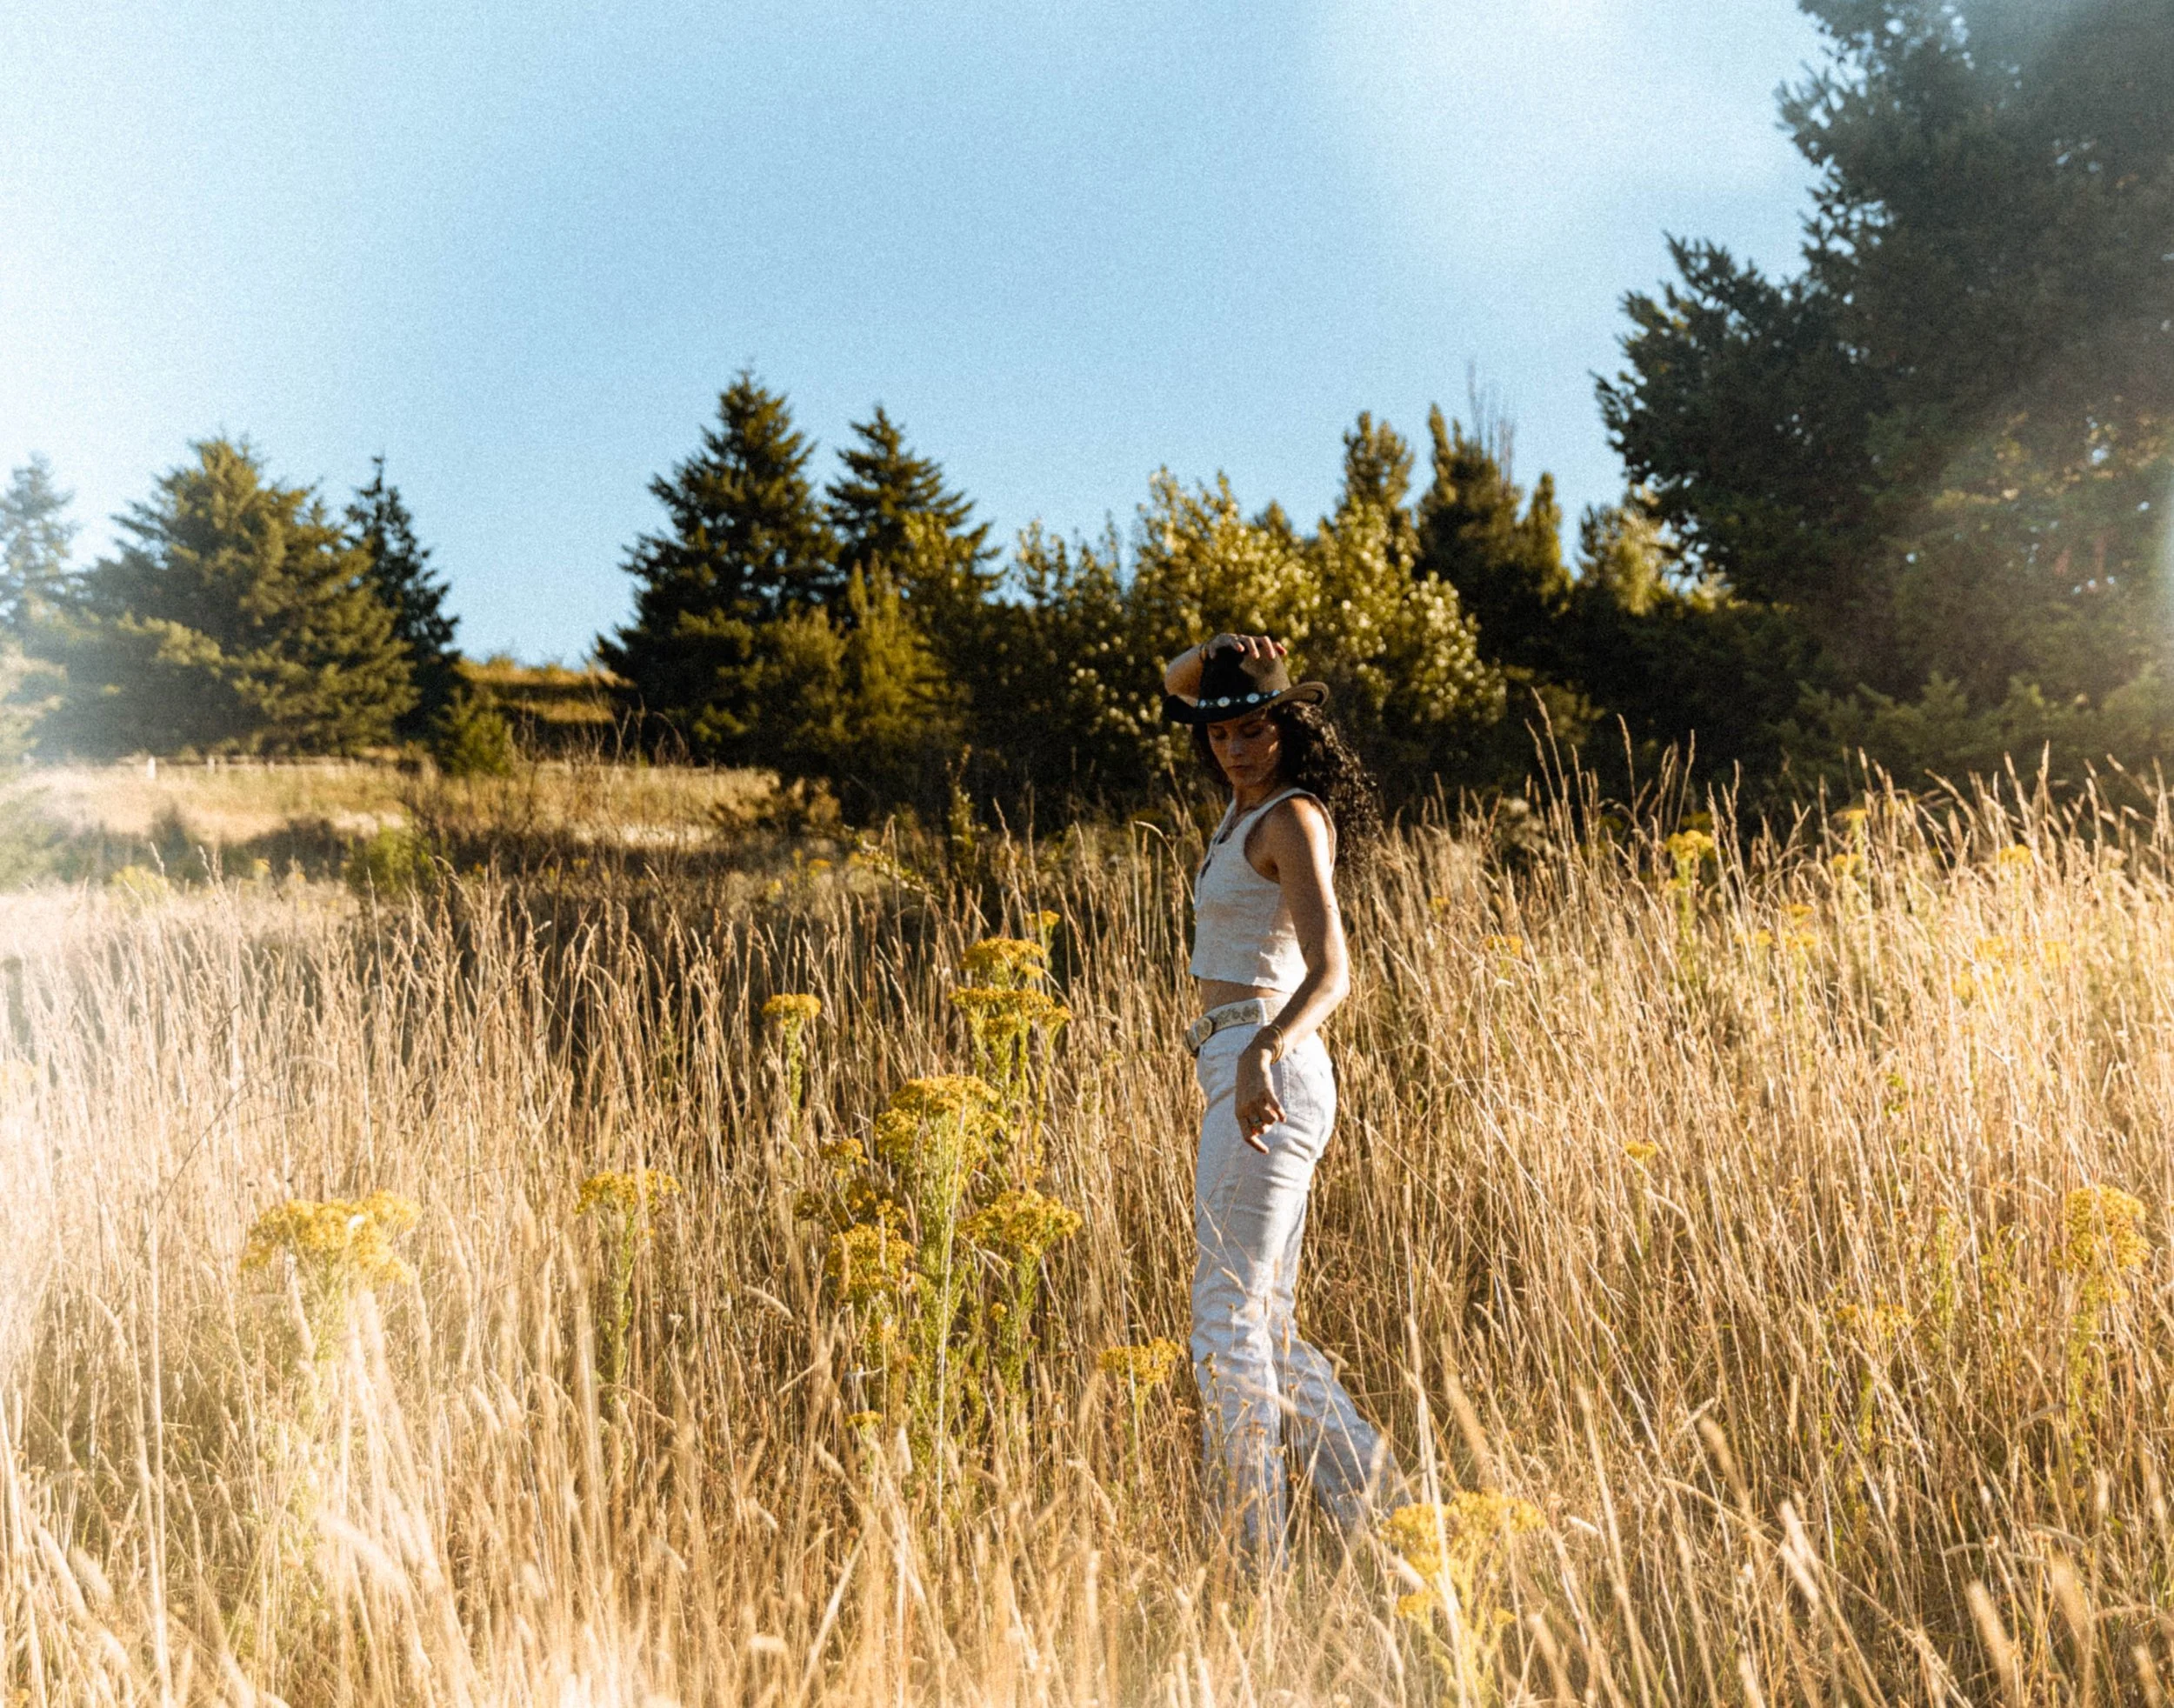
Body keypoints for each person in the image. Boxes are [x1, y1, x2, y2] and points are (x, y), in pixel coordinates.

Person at [1161, 630, 1398, 1562]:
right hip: (1239, 1064)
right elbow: (1176, 687)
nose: (1238, 746)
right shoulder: (1238, 811)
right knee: (1266, 1324)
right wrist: (1215, 655)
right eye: (1221, 734)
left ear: (1290, 727)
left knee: (1223, 1321)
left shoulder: (1292, 818)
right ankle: (1394, 1518)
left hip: (1269, 1068)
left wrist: (1262, 1050)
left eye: (1256, 727)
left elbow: (1334, 971)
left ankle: (1253, 1560)